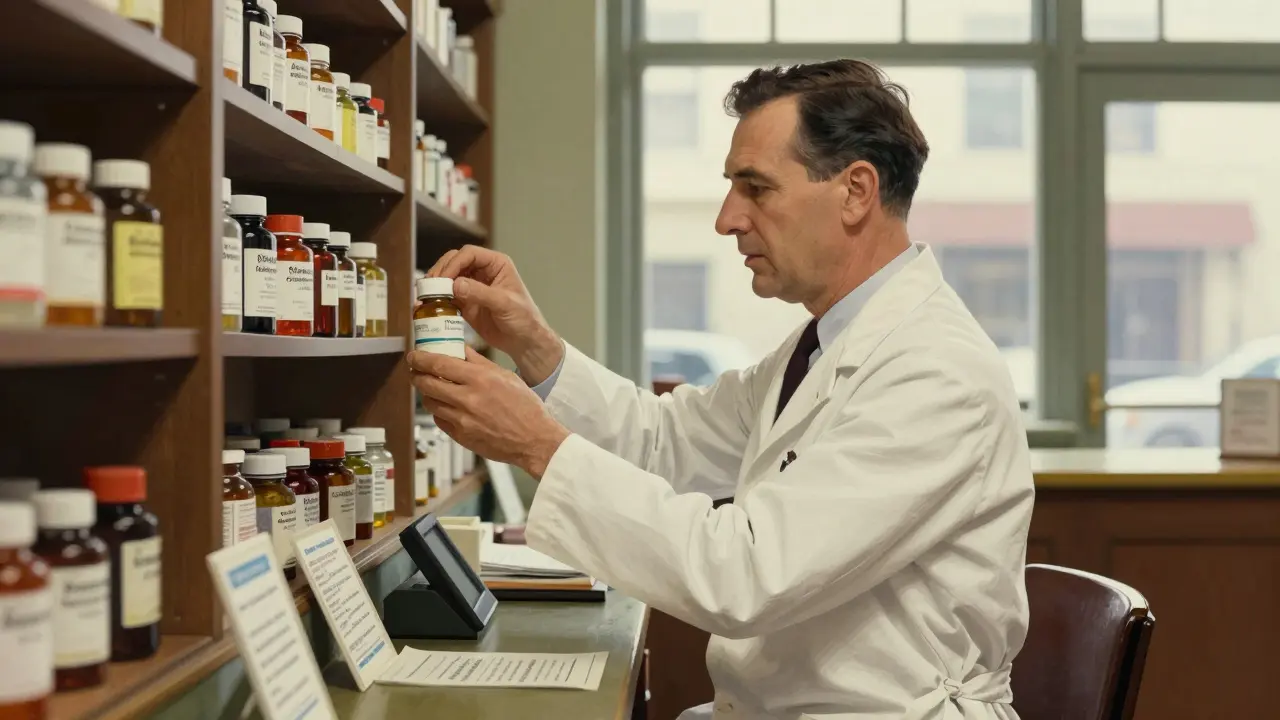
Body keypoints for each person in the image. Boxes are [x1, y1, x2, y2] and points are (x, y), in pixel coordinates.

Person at [409, 58, 1034, 720]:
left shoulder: (936, 372)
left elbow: (749, 574)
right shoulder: (823, 345)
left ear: (856, 191)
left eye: (755, 188)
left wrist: (538, 446)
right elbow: (663, 442)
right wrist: (535, 347)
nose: (727, 219)